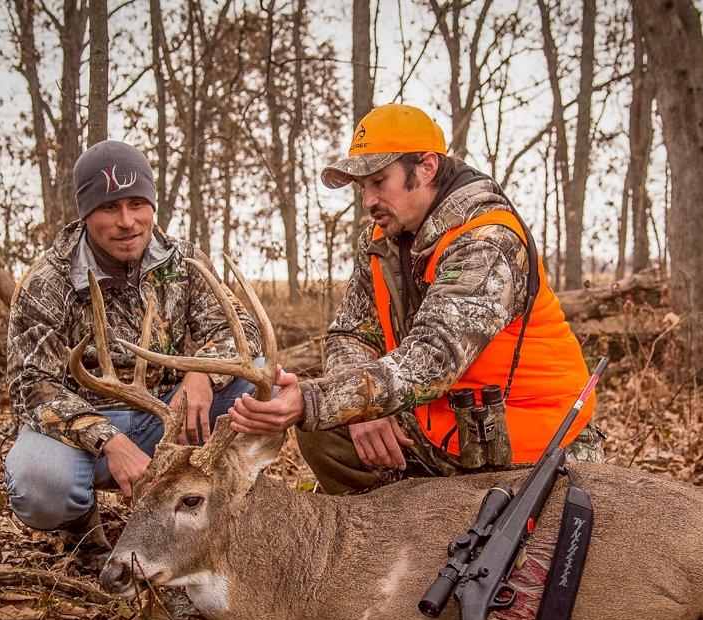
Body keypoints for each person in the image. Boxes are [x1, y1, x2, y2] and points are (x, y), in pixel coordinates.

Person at [228, 104, 601, 494]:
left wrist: (316, 399)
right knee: (329, 432)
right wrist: (359, 411)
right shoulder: (380, 242)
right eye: (362, 187)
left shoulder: (487, 242)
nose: (368, 201)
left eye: (379, 181)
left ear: (426, 167)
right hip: (441, 433)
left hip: (532, 443)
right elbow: (349, 335)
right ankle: (388, 541)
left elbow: (433, 359)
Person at [5, 140, 260, 555]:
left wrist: (203, 372)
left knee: (253, 388)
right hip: (81, 434)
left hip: (165, 418)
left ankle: (210, 521)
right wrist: (108, 440)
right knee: (41, 485)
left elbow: (239, 331)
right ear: (86, 213)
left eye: (138, 204)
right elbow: (30, 386)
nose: (128, 221)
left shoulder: (184, 262)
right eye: (110, 208)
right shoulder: (47, 280)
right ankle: (81, 527)